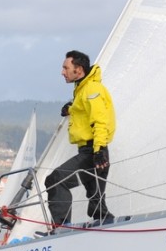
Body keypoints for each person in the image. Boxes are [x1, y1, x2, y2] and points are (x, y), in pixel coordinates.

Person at [44, 50, 117, 228]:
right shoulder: (83, 89)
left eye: (65, 67)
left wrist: (99, 151)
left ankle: (62, 227)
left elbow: (100, 120)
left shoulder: (92, 89)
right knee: (96, 202)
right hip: (90, 150)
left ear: (79, 69)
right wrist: (71, 108)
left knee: (55, 180)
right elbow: (85, 109)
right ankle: (105, 226)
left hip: (93, 151)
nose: (62, 72)